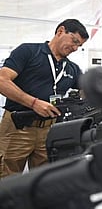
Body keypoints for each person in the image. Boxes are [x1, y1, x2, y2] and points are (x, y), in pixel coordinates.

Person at [0, 19, 89, 178]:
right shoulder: (28, 52)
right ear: (60, 31)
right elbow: (2, 80)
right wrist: (33, 103)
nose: (75, 48)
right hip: (17, 128)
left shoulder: (72, 68)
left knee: (43, 180)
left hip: (50, 131)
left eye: (79, 46)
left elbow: (87, 91)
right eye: (74, 41)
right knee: (7, 177)